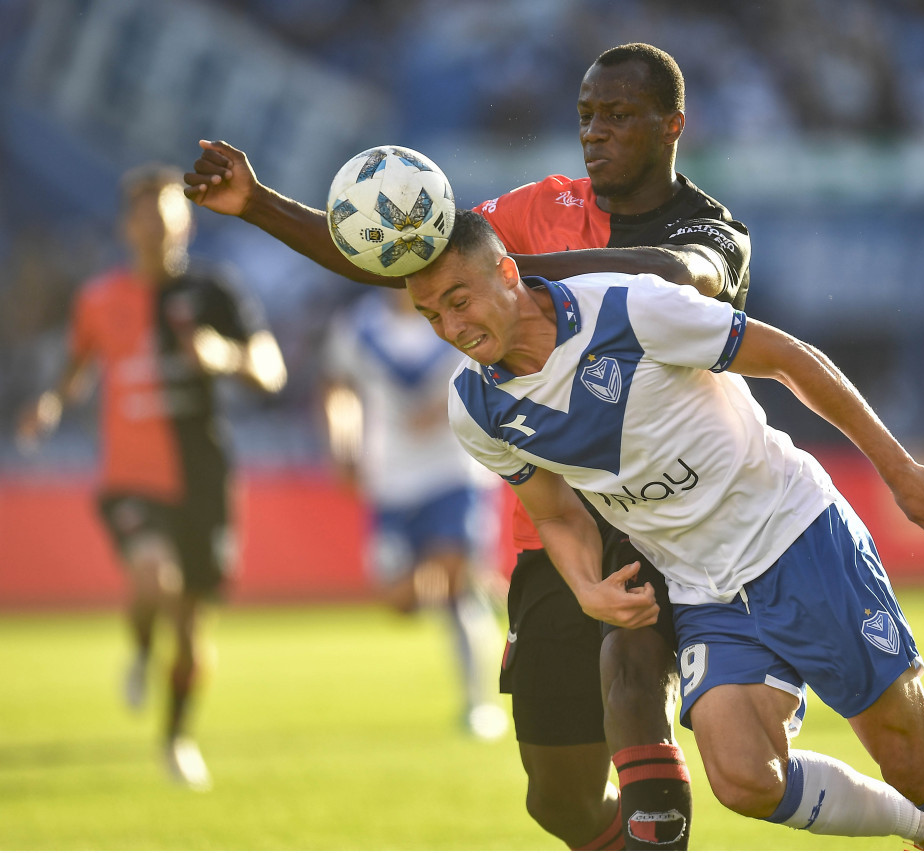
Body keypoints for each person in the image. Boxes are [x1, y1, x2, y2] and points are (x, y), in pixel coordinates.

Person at [184, 43, 752, 850]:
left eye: (619, 116)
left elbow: (679, 276)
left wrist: (512, 276)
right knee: (556, 800)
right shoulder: (541, 204)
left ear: (673, 125)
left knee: (666, 696)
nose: (596, 132)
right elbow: (411, 261)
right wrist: (259, 204)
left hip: (673, 510)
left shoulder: (707, 226)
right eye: (587, 115)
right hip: (553, 524)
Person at [413, 208, 924, 850]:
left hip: (795, 536)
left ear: (508, 273)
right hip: (702, 587)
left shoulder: (631, 310)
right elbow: (557, 514)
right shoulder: (476, 408)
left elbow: (788, 359)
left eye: (460, 301)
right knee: (743, 780)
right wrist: (586, 586)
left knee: (912, 763)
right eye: (433, 317)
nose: (453, 328)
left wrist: (897, 469)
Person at [16, 164, 287, 790]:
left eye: (167, 214)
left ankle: (176, 739)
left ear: (185, 222)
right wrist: (51, 403)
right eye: (144, 215)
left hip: (203, 476)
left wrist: (229, 356)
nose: (156, 227)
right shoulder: (99, 299)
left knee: (192, 630)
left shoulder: (215, 291)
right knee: (151, 575)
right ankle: (140, 650)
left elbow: (271, 369)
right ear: (127, 226)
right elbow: (75, 366)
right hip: (130, 476)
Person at [322, 286, 507, 737]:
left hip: (454, 471)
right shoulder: (360, 326)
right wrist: (343, 444)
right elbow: (337, 387)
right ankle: (494, 590)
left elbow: (495, 374)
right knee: (400, 601)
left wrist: (447, 409)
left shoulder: (453, 317)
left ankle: (477, 704)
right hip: (391, 480)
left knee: (450, 584)